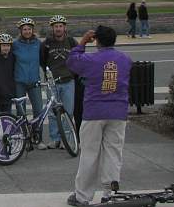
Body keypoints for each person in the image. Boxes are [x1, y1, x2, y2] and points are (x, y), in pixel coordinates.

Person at [65, 25, 133, 207]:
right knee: (113, 152)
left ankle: (82, 196)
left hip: (94, 111)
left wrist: (82, 42)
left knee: (89, 153)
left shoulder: (91, 59)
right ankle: (110, 192)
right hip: (118, 111)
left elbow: (71, 62)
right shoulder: (125, 59)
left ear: (97, 40)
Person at [40, 14, 77, 149]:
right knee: (53, 112)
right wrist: (49, 74)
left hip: (68, 81)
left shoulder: (71, 42)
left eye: (60, 26)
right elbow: (42, 61)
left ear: (64, 27)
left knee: (68, 111)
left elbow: (78, 57)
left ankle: (66, 139)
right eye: (56, 26)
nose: (58, 29)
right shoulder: (46, 44)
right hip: (52, 82)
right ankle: (54, 138)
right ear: (52, 28)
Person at [12, 17, 46, 150]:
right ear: (20, 31)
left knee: (38, 111)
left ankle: (38, 138)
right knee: (21, 113)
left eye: (29, 29)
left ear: (33, 30)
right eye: (24, 29)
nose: (27, 31)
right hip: (19, 82)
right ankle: (23, 138)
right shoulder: (15, 45)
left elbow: (44, 60)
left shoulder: (38, 44)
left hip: (34, 82)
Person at [0, 33, 17, 113]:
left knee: (7, 116)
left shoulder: (13, 57)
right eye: (4, 46)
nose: (6, 48)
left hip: (8, 94)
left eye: (8, 46)